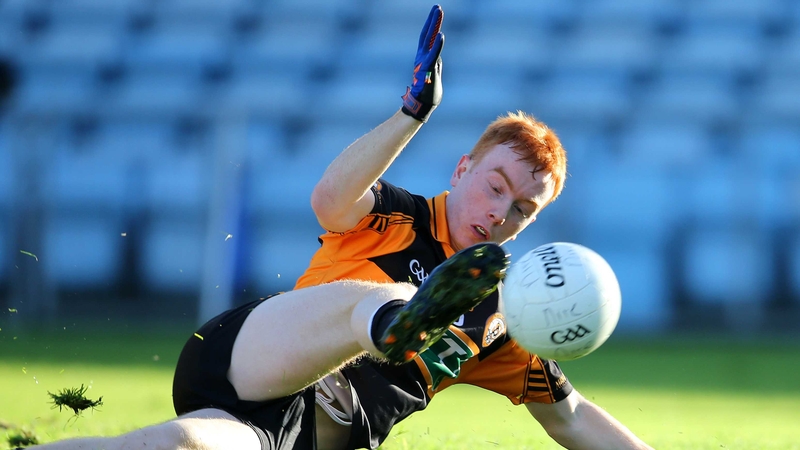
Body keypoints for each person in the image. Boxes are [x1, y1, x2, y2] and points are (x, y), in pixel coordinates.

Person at [31, 5, 653, 450]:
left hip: (291, 433)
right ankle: (401, 320)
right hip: (257, 356)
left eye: (523, 209)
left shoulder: (505, 316)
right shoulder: (401, 213)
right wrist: (412, 113)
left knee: (177, 446)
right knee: (391, 300)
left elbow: (571, 419)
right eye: (495, 186)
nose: (500, 212)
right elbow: (331, 199)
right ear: (464, 169)